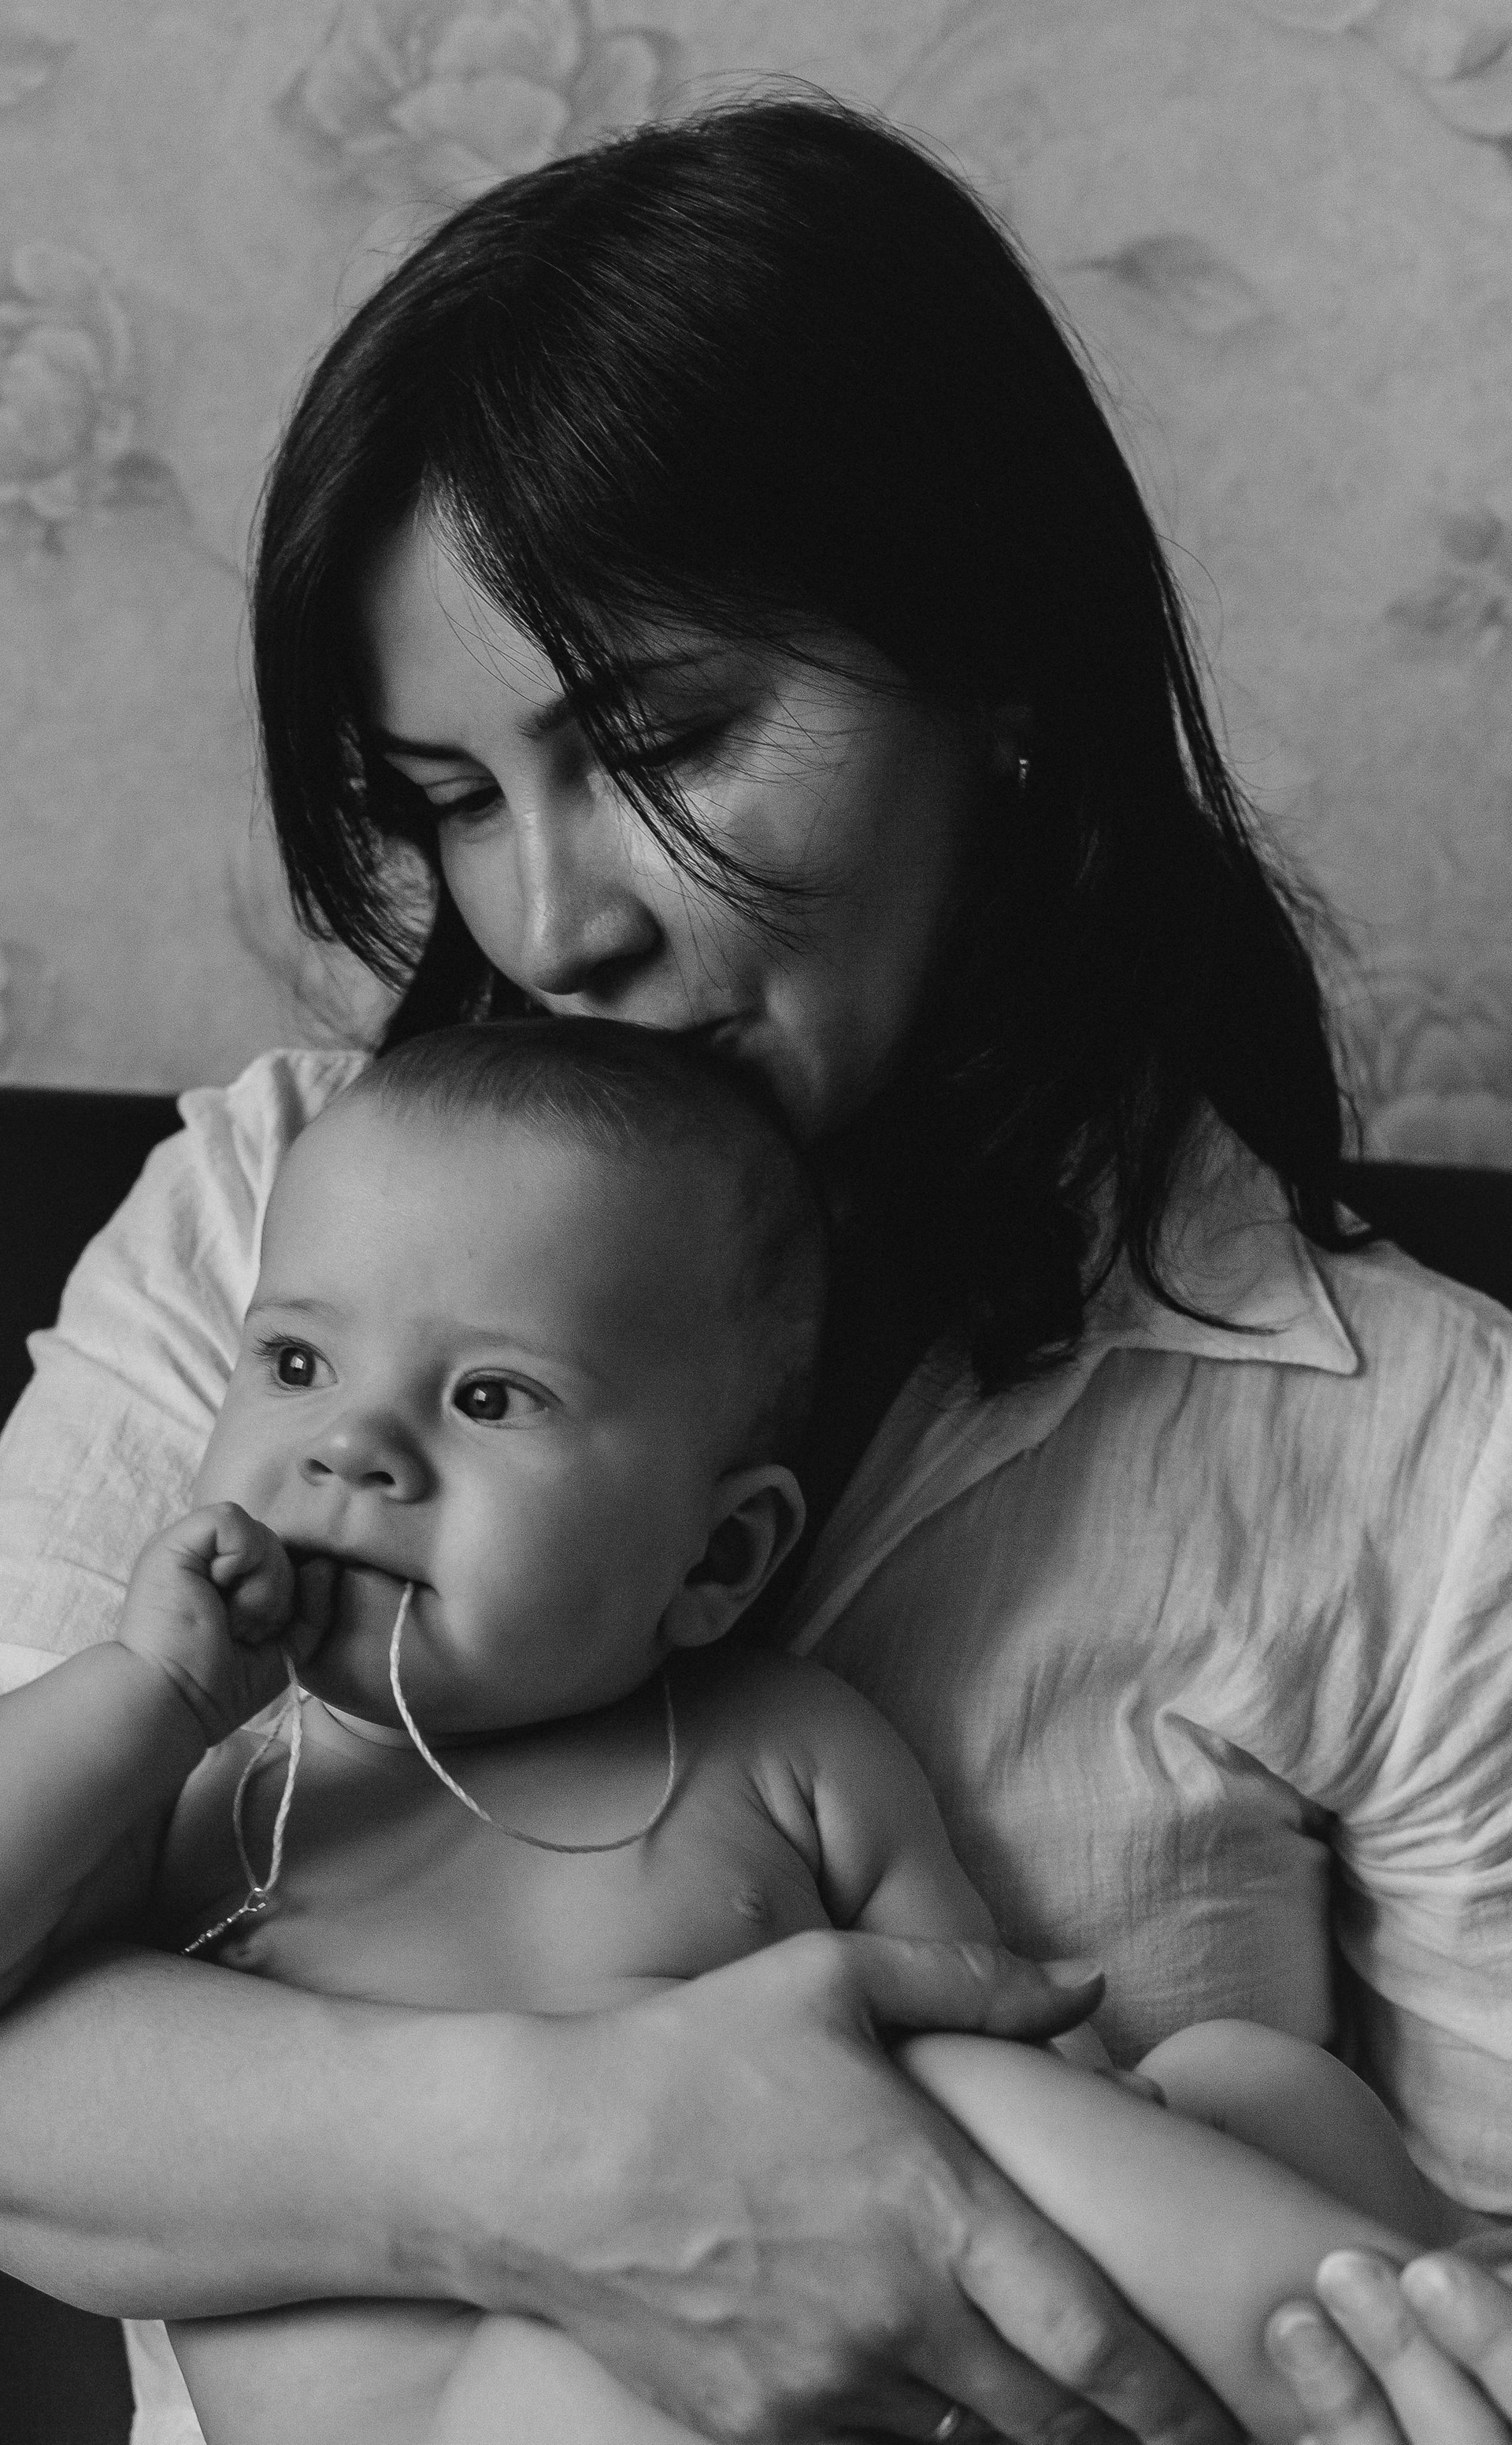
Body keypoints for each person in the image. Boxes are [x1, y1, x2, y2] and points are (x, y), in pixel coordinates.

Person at [0, 91, 1509, 2445]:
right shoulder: (273, 1234)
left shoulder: (1422, 1451)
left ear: (996, 672)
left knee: (1242, 2103)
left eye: (662, 741)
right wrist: (609, 2165)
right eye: (450, 802)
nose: (550, 922)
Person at [0, 1019, 1449, 2445]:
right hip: (490, 2410)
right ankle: (1439, 2357)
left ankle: (1407, 2361)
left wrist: (1130, 2138)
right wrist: (147, 1693)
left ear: (720, 1555)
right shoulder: (202, 1771)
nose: (350, 1443)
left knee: (1254, 2086)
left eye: (488, 1396)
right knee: (929, 2110)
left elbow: (995, 2027)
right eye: (294, 1363)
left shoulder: (779, 1743)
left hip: (833, 2364)